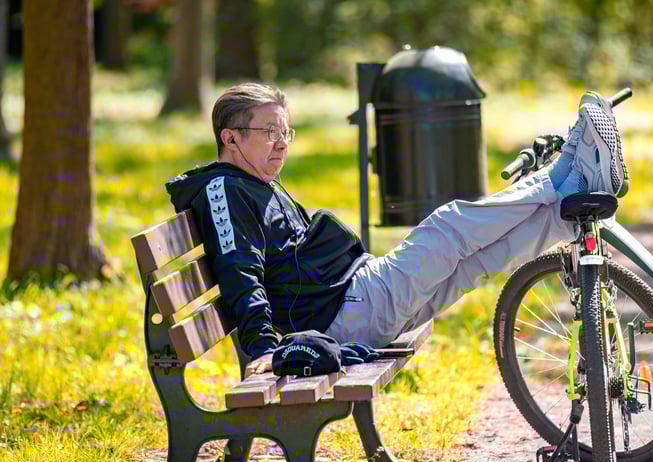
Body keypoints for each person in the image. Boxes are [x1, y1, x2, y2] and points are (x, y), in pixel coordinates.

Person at [165, 83, 626, 374]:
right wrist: (264, 349)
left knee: (477, 257)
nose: (281, 144)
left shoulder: (253, 183)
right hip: (348, 310)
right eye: (270, 132)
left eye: (286, 133)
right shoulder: (225, 190)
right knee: (448, 226)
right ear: (230, 138)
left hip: (358, 299)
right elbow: (239, 269)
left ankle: (569, 201)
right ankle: (564, 175)